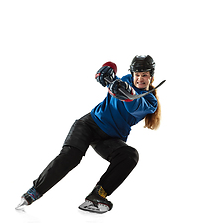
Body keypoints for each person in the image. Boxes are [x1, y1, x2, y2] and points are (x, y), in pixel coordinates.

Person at [15, 55, 162, 213]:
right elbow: (111, 75)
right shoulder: (124, 80)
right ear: (132, 73)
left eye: (144, 75)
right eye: (137, 74)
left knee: (130, 155)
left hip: (111, 138)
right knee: (70, 156)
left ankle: (97, 196)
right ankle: (33, 193)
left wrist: (127, 92)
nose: (140, 78)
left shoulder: (150, 102)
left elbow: (134, 105)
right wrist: (107, 70)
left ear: (151, 76)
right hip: (88, 125)